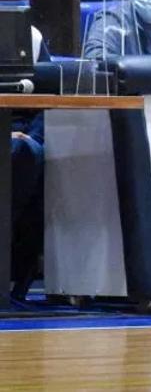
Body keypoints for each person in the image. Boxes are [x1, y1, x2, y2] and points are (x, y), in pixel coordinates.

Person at [9, 27, 50, 301]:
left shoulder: (29, 34)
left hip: (24, 132)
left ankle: (17, 285)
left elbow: (51, 94)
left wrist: (34, 137)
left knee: (28, 151)